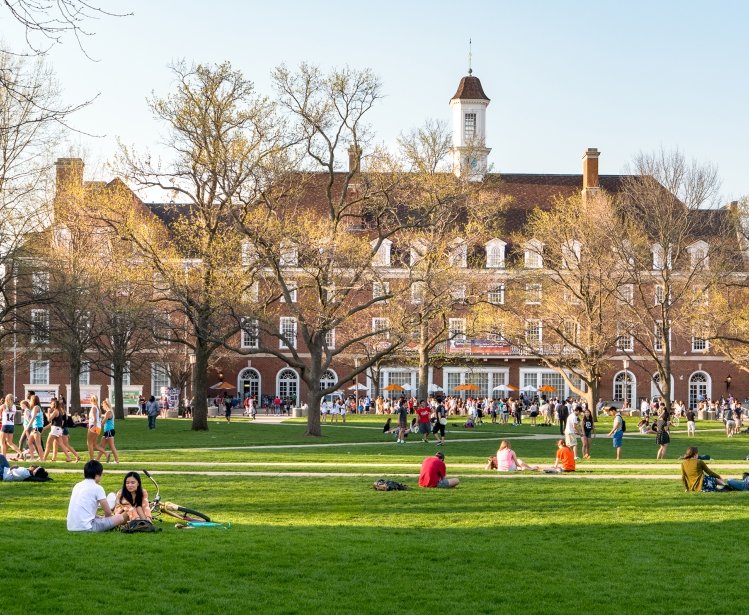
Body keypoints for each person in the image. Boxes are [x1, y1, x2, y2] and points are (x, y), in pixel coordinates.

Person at [66, 460, 129, 531]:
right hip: (87, 527)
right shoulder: (97, 488)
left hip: (71, 526)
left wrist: (100, 517)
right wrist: (109, 520)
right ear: (97, 475)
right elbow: (108, 512)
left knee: (100, 518)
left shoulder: (77, 486)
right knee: (119, 518)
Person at [97, 399, 119, 464]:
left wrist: (96, 426)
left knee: (112, 446)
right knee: (102, 446)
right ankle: (97, 459)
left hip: (109, 431)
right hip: (107, 431)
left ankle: (117, 460)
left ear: (106, 405)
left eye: (103, 405)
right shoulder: (109, 412)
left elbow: (103, 422)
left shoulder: (108, 412)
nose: (102, 406)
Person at [1, 393, 23, 458]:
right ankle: (20, 453)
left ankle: (3, 458)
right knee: (10, 442)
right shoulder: (14, 406)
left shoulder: (3, 406)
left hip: (5, 425)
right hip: (11, 425)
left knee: (2, 442)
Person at [86, 395, 108, 460]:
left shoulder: (94, 408)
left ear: (91, 400)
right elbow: (96, 419)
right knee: (94, 445)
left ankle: (91, 459)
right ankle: (106, 453)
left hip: (94, 427)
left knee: (89, 443)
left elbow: (95, 419)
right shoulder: (97, 408)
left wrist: (93, 427)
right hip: (98, 427)